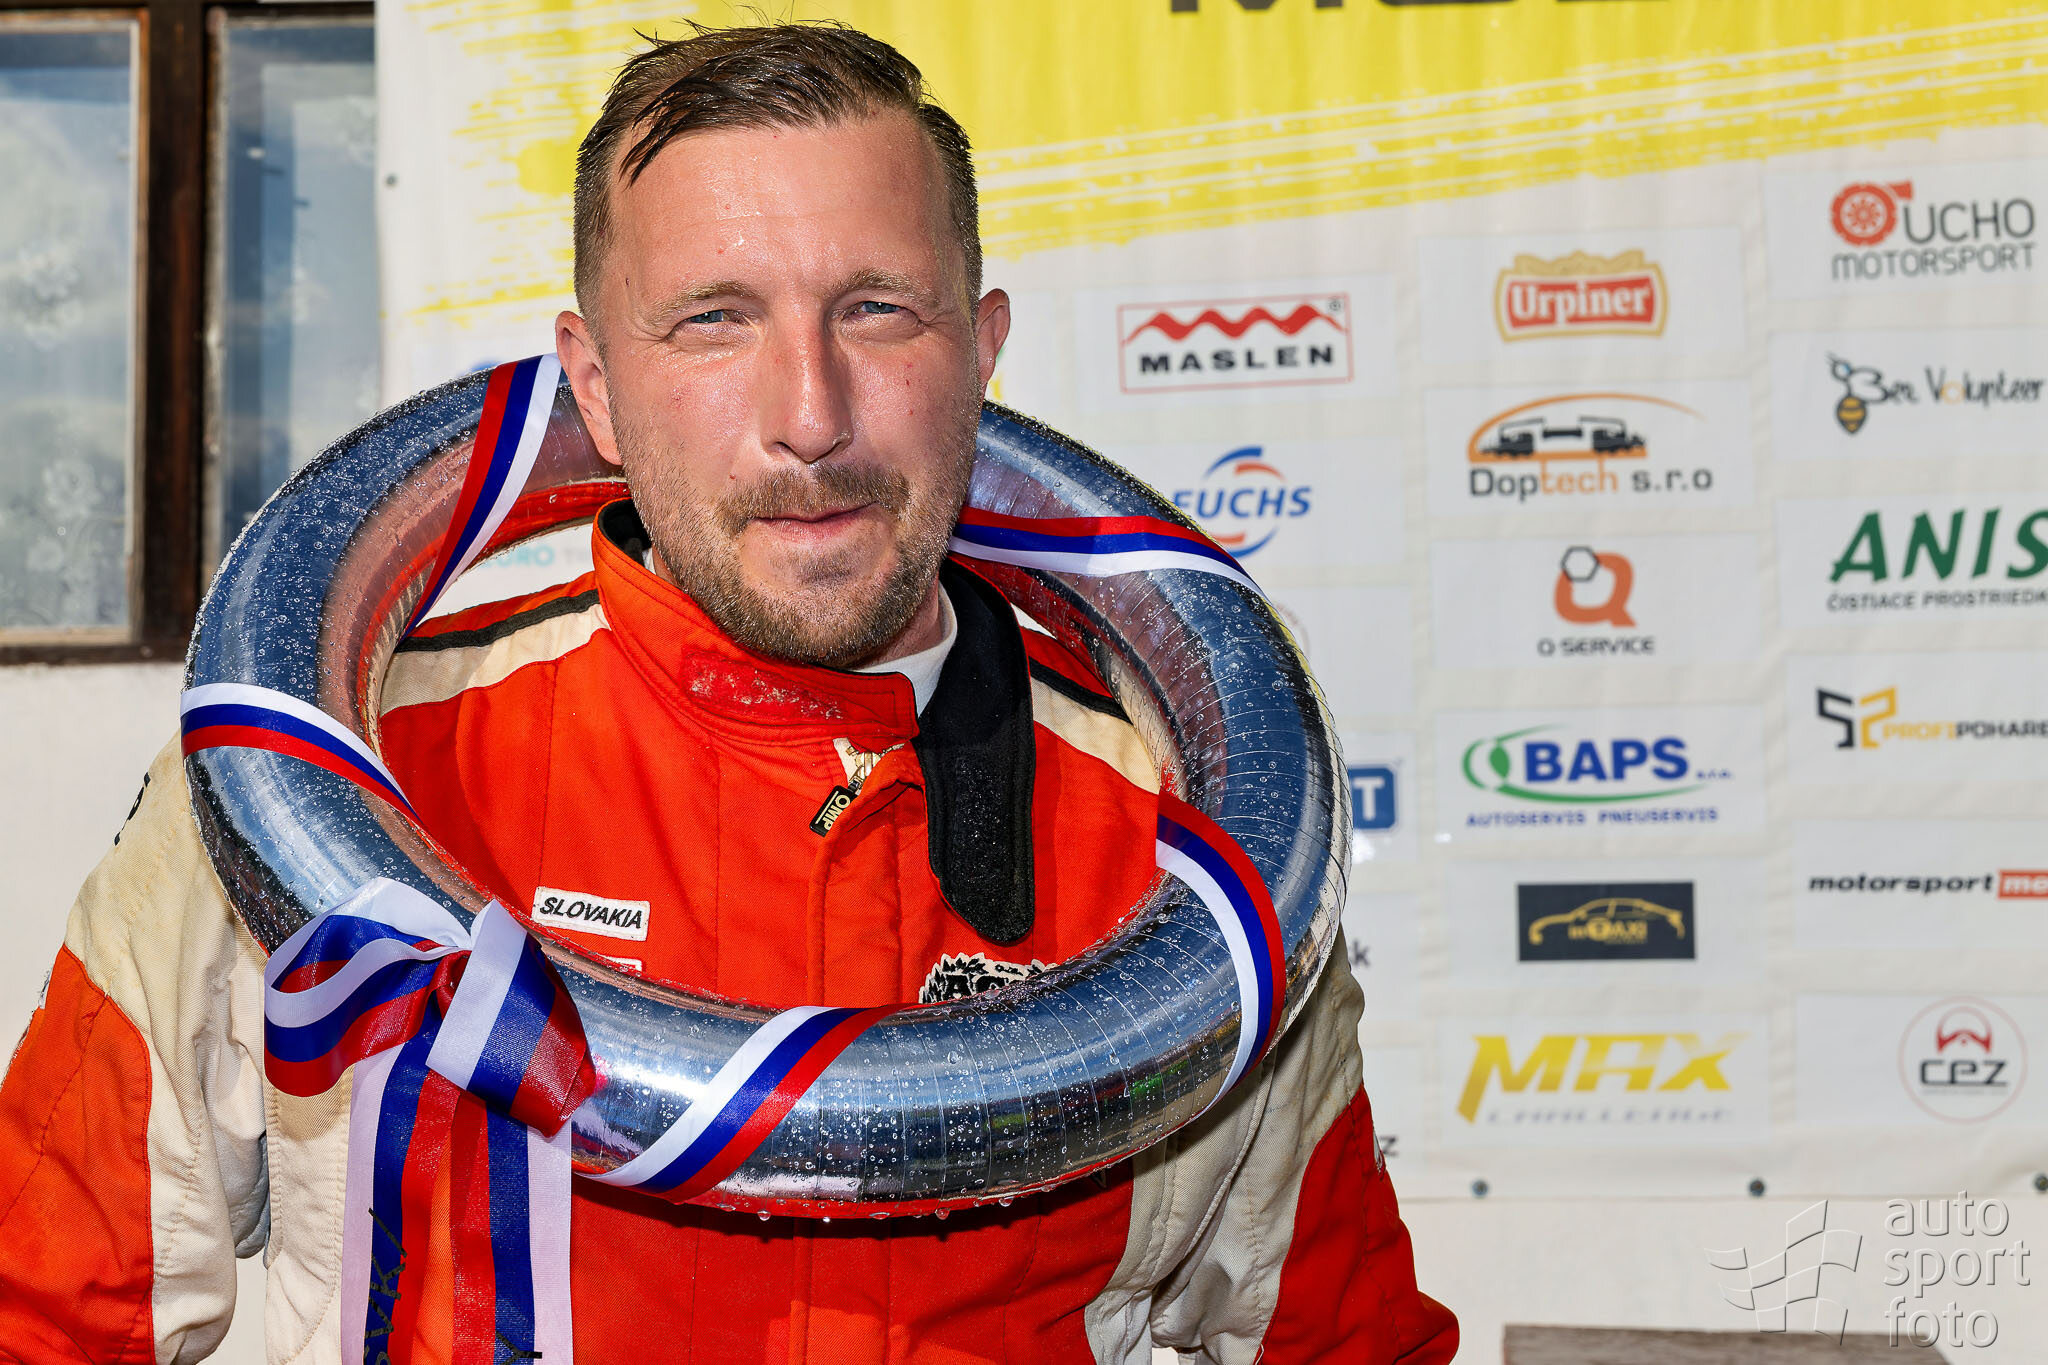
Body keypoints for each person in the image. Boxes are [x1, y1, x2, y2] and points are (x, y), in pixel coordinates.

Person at [0, 21, 1456, 1365]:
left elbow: (1345, 1344)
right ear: (593, 385)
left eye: (877, 310)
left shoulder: (1182, 853)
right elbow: (44, 1314)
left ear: (984, 352)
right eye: (712, 319)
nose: (808, 416)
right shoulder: (333, 787)